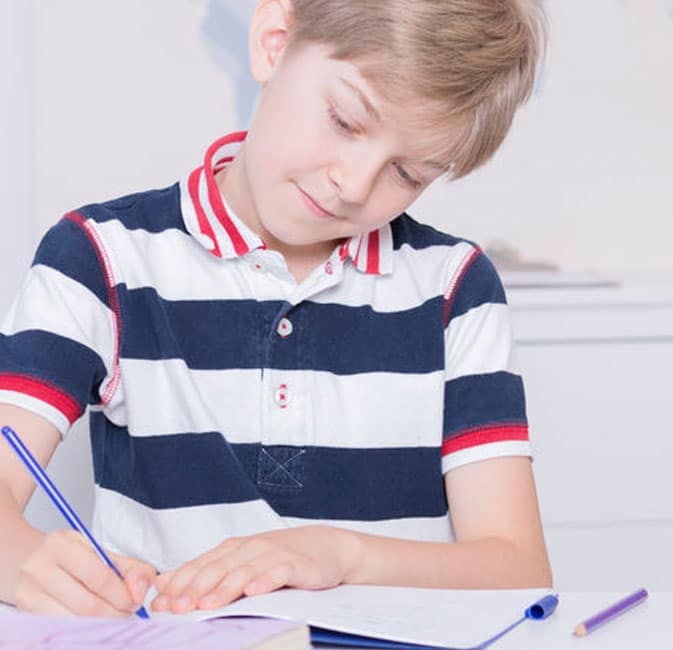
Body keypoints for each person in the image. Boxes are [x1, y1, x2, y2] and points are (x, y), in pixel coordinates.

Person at [0, 0, 551, 617]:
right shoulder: (102, 257)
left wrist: (342, 555)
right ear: (273, 41)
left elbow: (518, 571)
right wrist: (15, 554)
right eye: (344, 122)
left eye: (408, 172)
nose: (357, 186)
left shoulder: (453, 289)